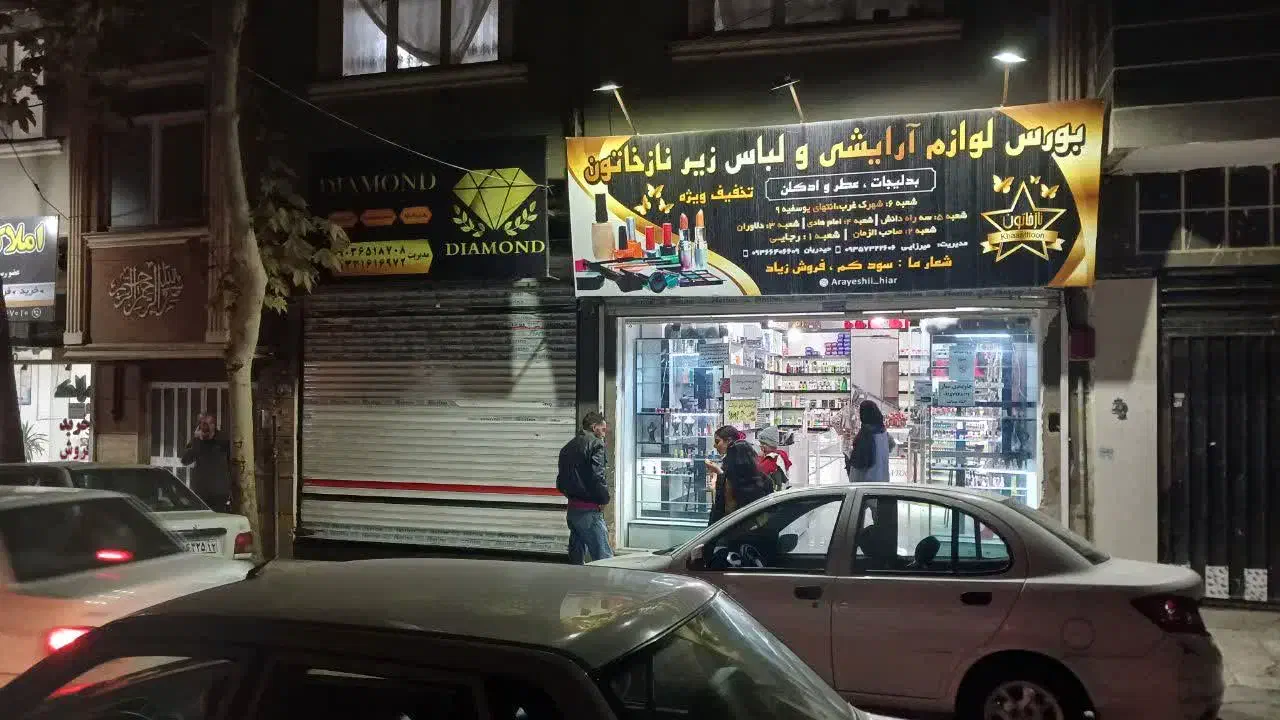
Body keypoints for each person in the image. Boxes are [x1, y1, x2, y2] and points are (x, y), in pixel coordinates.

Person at [557, 411, 614, 564]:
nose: (604, 434)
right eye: (603, 429)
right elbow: (597, 476)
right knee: (604, 559)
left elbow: (560, 481)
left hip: (573, 511)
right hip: (589, 512)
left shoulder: (567, 447)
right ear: (594, 427)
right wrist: (604, 499)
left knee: (576, 559)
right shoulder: (596, 444)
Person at [705, 426, 772, 525]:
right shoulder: (765, 480)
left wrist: (717, 481)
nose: (715, 446)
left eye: (717, 441)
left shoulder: (730, 480)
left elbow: (724, 507)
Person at [181, 414, 232, 511]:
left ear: (213, 425)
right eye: (201, 425)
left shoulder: (223, 441)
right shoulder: (198, 442)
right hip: (201, 492)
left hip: (219, 492)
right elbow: (185, 460)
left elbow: (231, 463)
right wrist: (196, 440)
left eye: (206, 424)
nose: (204, 428)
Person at [847, 400, 895, 483]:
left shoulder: (865, 434)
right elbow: (891, 445)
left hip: (867, 482)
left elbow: (858, 462)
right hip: (882, 480)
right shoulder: (883, 432)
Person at [756, 426, 793, 492]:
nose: (760, 445)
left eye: (762, 443)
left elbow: (758, 472)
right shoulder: (780, 455)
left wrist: (759, 457)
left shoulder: (772, 458)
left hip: (771, 494)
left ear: (769, 444)